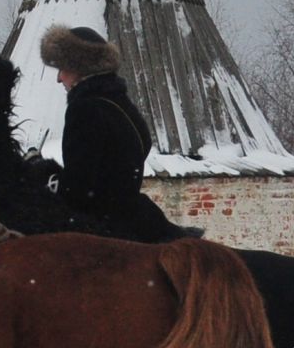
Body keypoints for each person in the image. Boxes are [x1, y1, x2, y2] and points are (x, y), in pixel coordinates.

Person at [36, 25, 192, 243]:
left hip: (105, 232)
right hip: (133, 219)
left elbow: (79, 190)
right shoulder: (121, 104)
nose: (59, 78)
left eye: (62, 68)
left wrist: (45, 177)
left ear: (79, 67)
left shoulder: (85, 109)